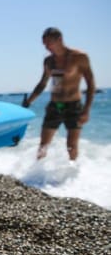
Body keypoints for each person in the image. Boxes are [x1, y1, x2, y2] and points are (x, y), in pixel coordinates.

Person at [23, 27, 95, 160]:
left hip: (74, 106)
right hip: (55, 105)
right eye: (44, 44)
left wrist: (86, 110)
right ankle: (35, 177)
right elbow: (42, 84)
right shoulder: (48, 61)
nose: (47, 47)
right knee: (43, 145)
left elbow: (90, 83)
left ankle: (73, 177)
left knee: (72, 146)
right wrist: (28, 101)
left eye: (49, 43)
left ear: (59, 39)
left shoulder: (79, 57)